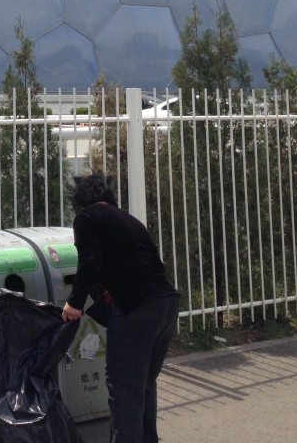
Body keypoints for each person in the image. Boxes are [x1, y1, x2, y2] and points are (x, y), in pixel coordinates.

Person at [61, 173, 179, 443]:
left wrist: (74, 303)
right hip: (166, 304)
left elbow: (89, 261)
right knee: (144, 385)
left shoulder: (87, 217)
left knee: (125, 392)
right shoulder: (129, 220)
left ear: (79, 202)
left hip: (135, 311)